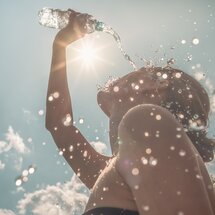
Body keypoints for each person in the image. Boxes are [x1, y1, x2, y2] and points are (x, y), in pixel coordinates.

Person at [45, 10, 215, 215]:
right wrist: (61, 45)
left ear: (157, 85)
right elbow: (59, 126)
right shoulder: (113, 171)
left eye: (146, 69)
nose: (134, 70)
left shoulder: (147, 120)